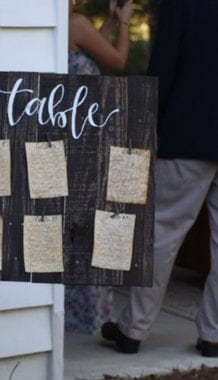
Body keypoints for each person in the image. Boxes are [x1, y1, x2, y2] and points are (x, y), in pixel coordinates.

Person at [101, 0, 218, 357]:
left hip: (188, 131)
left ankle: (134, 329)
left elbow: (163, 66)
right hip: (193, 130)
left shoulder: (183, 4)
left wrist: (153, 121)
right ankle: (214, 335)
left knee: (163, 233)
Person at [65, 0, 133, 334]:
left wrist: (106, 23)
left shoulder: (62, 30)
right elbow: (117, 60)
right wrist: (125, 24)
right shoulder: (75, 23)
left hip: (66, 134)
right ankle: (90, 314)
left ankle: (70, 311)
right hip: (87, 136)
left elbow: (86, 56)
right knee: (92, 224)